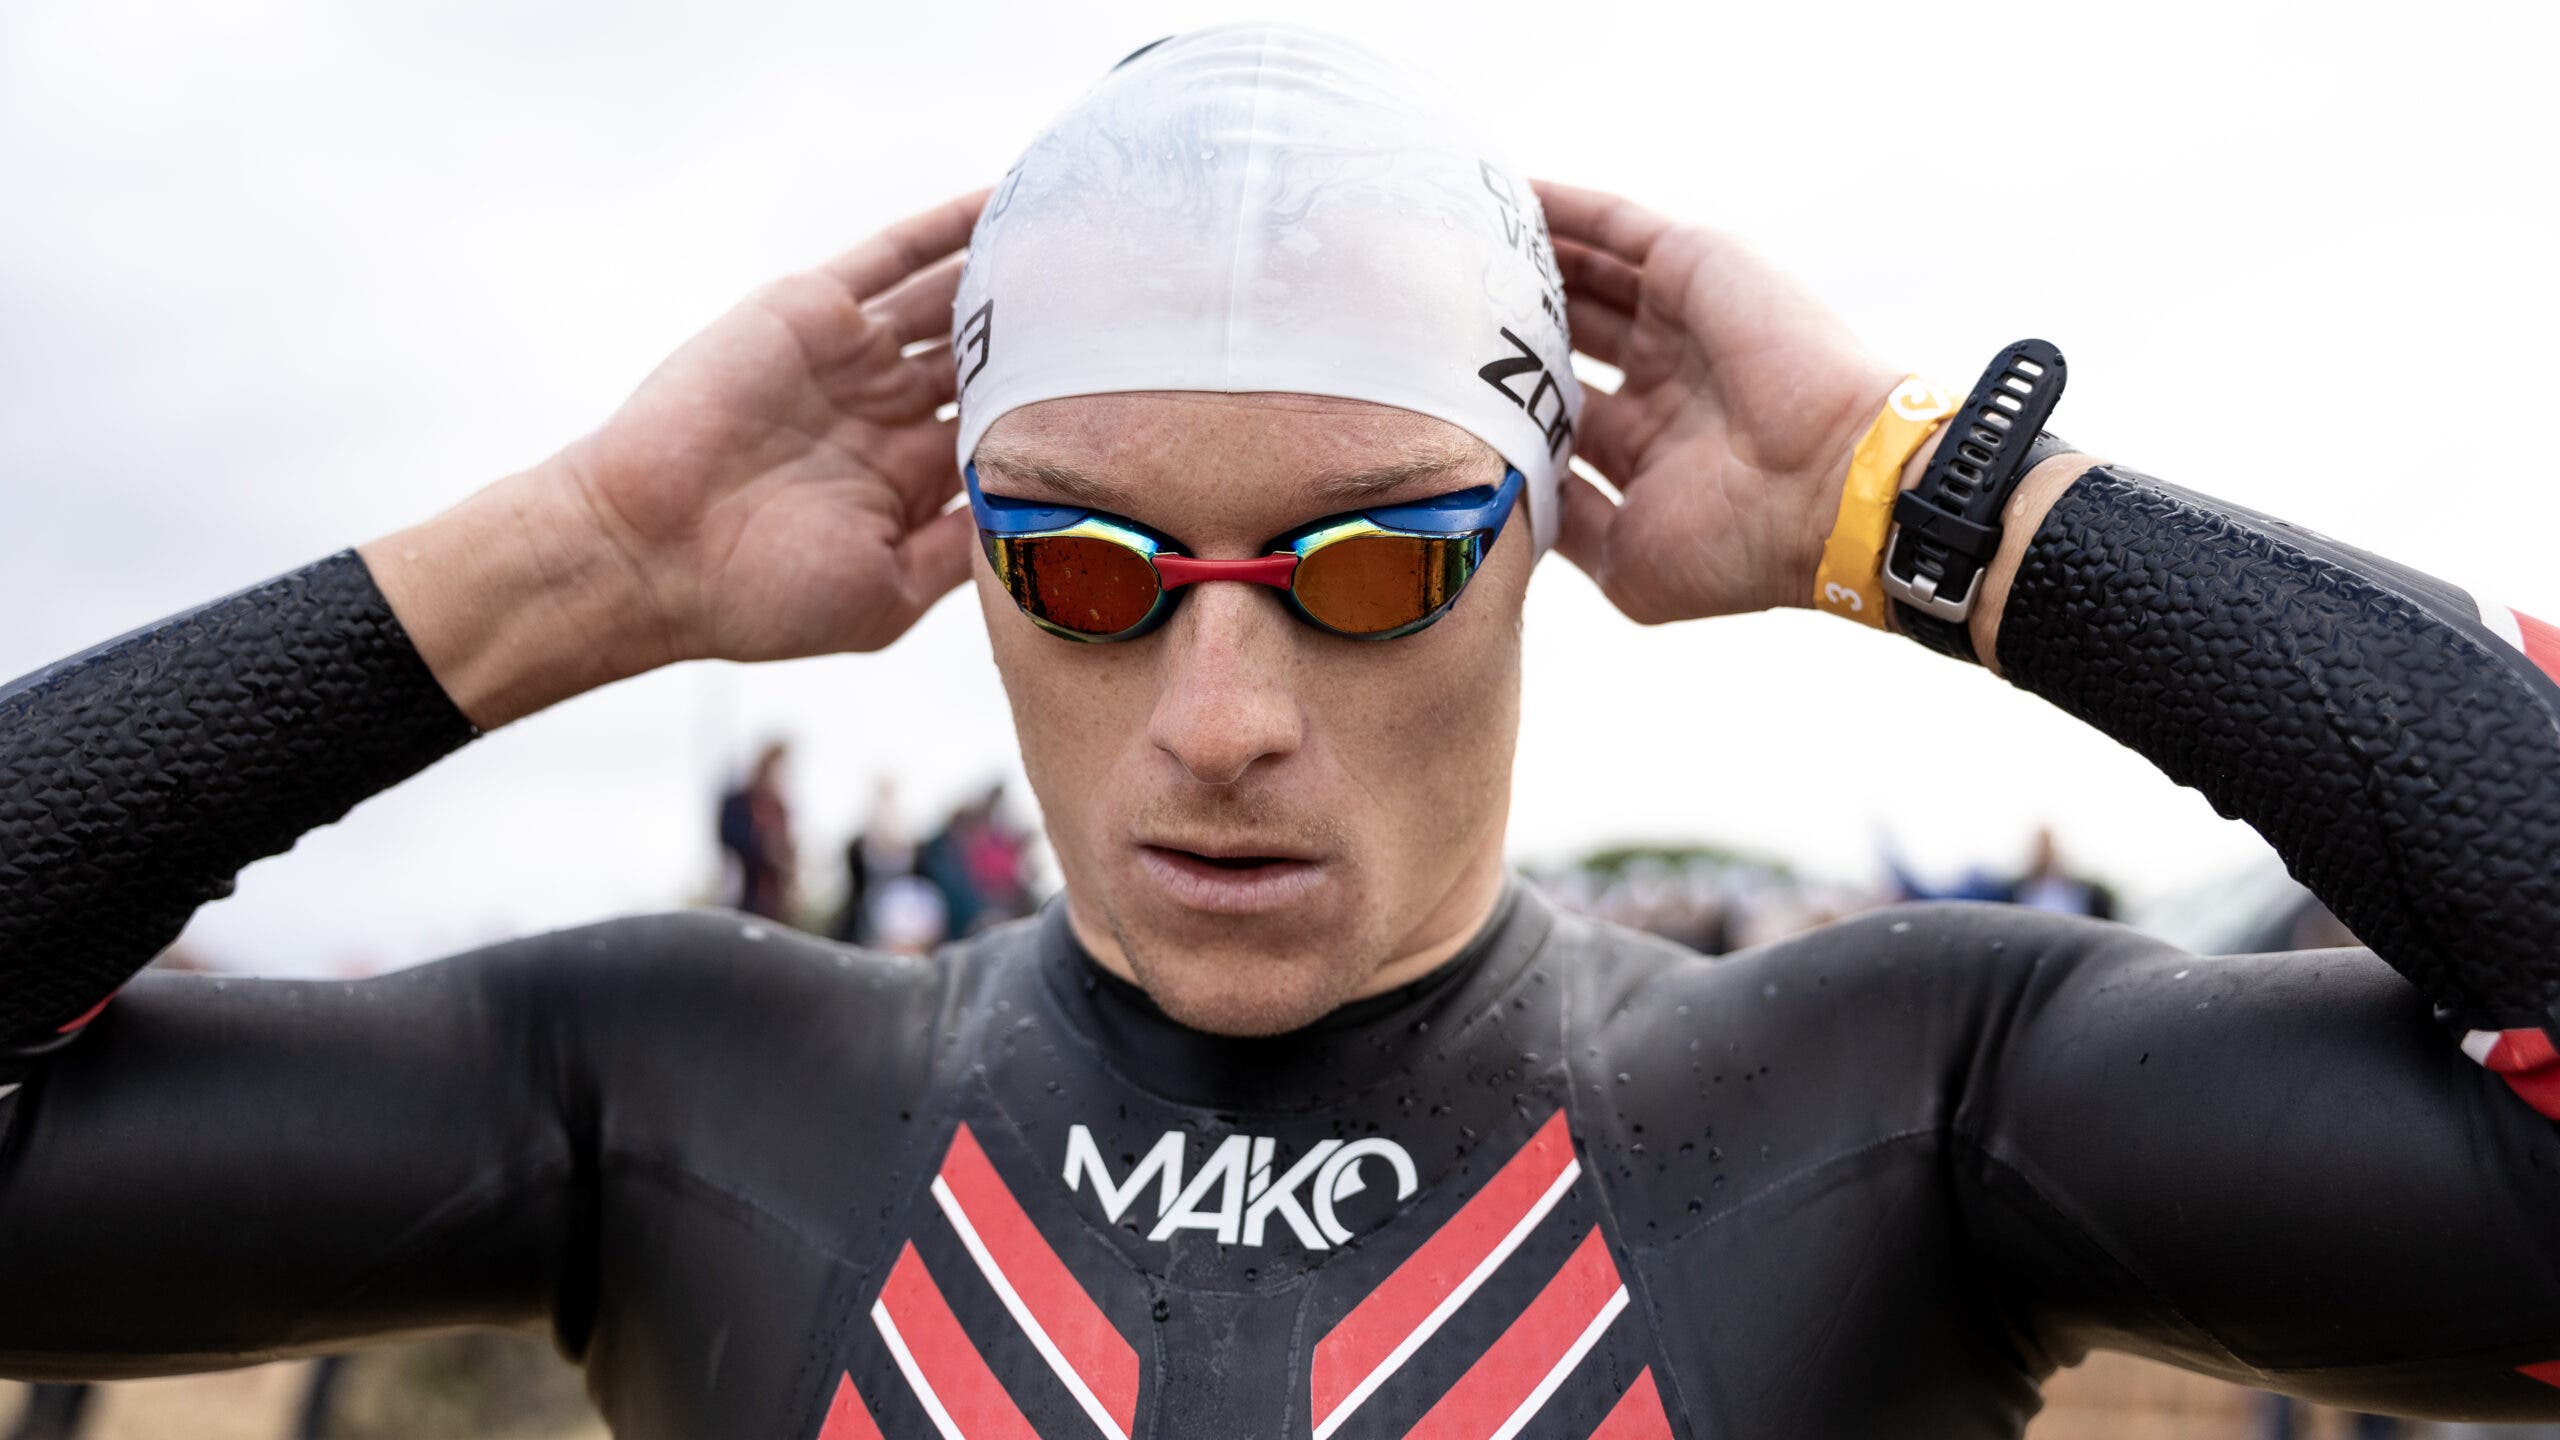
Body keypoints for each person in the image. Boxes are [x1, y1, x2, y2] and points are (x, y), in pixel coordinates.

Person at [3, 24, 2558, 1440]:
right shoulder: (655, 1082)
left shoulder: (1897, 1101)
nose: (1216, 718)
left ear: (1533, 530)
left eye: (1364, 564)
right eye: (1086, 570)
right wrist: (566, 562)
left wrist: (1919, 495)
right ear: (974, 563)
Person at [716, 739, 798, 920]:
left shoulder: (780, 809)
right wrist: (766, 848)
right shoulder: (739, 804)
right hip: (744, 898)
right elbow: (731, 840)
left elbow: (788, 853)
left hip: (776, 905)